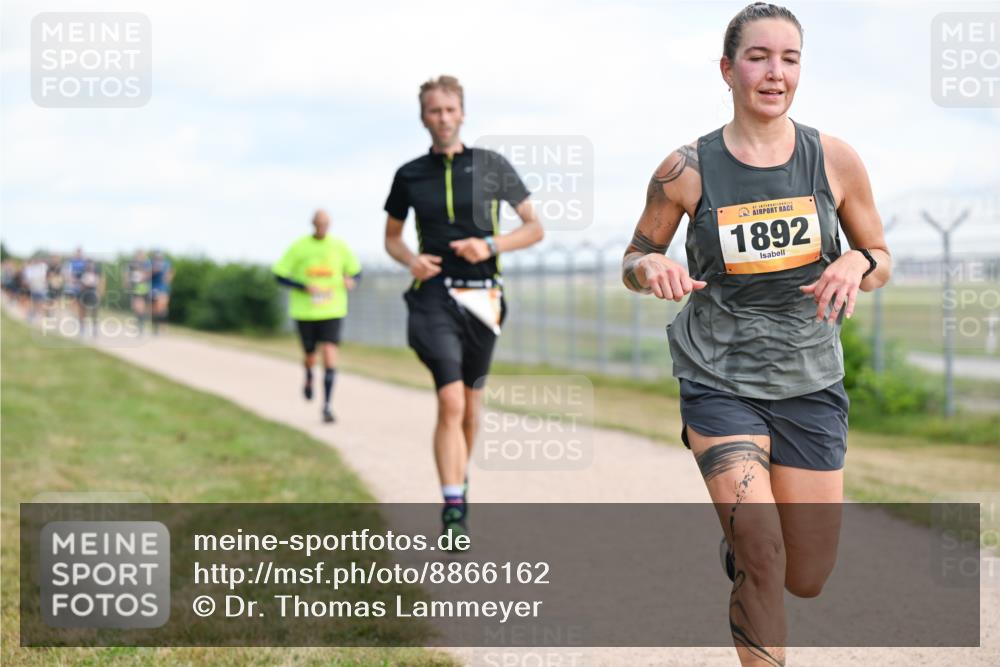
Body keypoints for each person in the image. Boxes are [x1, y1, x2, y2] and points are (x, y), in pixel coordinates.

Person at [621, 4, 890, 665]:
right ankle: (748, 543)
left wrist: (858, 260)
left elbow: (881, 255)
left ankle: (741, 542)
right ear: (728, 69)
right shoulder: (685, 169)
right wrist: (649, 264)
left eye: (789, 59)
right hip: (718, 373)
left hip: (810, 379)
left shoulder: (834, 159)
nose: (775, 72)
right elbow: (632, 258)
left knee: (807, 574)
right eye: (759, 57)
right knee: (764, 557)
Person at [383, 75, 544, 540]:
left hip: (483, 297)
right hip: (433, 295)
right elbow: (392, 239)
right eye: (435, 111)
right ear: (423, 117)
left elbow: (534, 228)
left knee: (472, 409)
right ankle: (453, 506)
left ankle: (460, 476)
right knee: (450, 399)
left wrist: (491, 243)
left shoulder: (491, 165)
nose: (443, 118)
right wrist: (411, 260)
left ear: (463, 112)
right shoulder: (409, 174)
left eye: (450, 110)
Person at [273, 209, 361, 423]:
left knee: (330, 353)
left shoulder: (339, 246)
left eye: (326, 224)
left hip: (332, 309)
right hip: (306, 311)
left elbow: (356, 271)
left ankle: (327, 405)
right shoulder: (299, 246)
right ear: (313, 224)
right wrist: (302, 286)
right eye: (319, 224)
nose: (322, 227)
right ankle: (309, 375)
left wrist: (352, 280)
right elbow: (279, 274)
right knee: (310, 354)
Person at [124, 250, 152, 334]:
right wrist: (127, 283)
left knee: (142, 308)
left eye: (141, 256)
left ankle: (141, 323)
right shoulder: (131, 264)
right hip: (135, 289)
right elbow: (126, 275)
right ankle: (140, 323)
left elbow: (149, 274)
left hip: (144, 289)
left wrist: (142, 277)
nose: (139, 257)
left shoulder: (147, 264)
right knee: (136, 307)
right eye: (138, 256)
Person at [149, 251, 173, 334]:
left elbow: (170, 273)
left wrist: (168, 278)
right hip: (153, 287)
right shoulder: (151, 264)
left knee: (162, 307)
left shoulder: (166, 264)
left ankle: (163, 324)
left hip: (163, 288)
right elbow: (148, 274)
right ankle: (155, 326)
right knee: (154, 308)